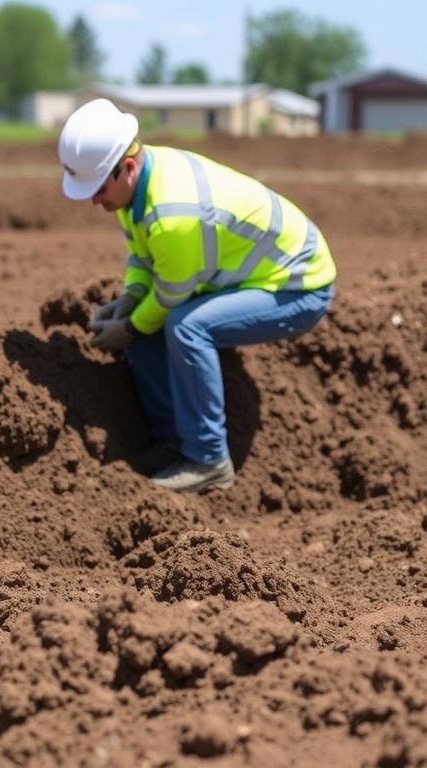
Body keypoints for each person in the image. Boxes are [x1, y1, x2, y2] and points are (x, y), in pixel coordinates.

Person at [58, 99, 337, 493]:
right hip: (250, 275)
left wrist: (130, 326)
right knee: (149, 321)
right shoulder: (137, 185)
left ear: (129, 167)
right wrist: (132, 295)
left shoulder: (173, 214)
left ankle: (208, 460)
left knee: (187, 326)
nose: (94, 200)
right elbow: (143, 254)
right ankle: (173, 439)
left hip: (299, 286)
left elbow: (172, 295)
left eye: (99, 188)